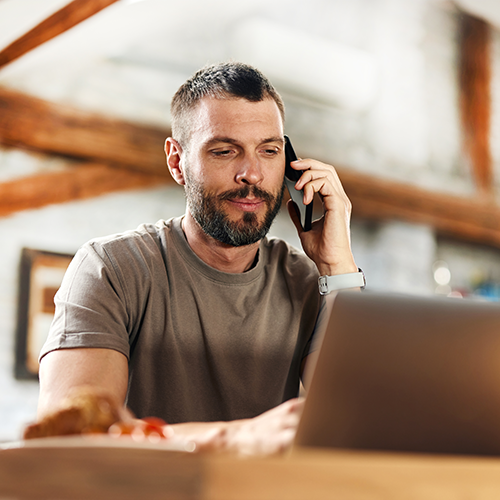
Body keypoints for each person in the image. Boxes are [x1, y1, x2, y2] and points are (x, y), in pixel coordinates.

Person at [37, 62, 360, 455]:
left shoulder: (309, 281)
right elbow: (70, 442)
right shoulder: (110, 269)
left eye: (269, 150)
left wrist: (336, 266)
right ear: (177, 162)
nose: (252, 173)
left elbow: (361, 429)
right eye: (225, 151)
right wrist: (235, 439)